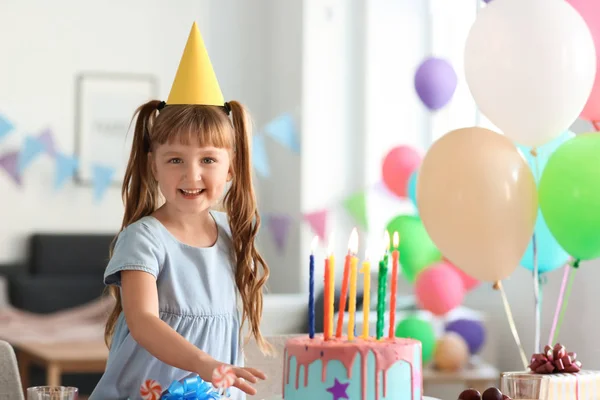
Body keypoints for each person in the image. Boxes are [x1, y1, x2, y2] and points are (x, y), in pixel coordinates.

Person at [90, 22, 269, 399]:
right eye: (175, 160)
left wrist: (219, 375)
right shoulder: (143, 239)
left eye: (208, 159)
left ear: (231, 167)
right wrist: (206, 364)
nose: (192, 174)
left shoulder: (231, 234)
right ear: (153, 165)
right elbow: (142, 322)